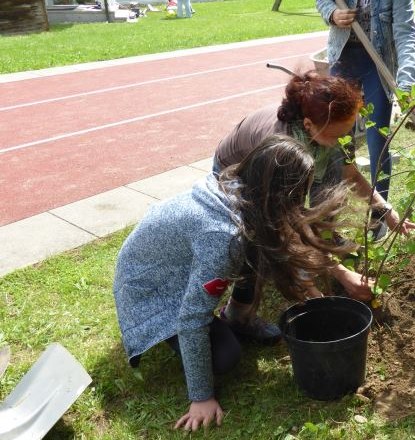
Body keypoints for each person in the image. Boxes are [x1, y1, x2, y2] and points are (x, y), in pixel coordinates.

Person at [114, 135, 357, 431]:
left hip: (167, 271)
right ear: (281, 194)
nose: (302, 203)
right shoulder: (223, 237)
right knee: (226, 356)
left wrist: (323, 287)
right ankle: (211, 333)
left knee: (262, 249)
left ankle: (237, 317)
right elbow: (191, 318)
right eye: (299, 195)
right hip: (152, 295)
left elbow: (283, 243)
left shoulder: (242, 192)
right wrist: (201, 397)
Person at [213, 71, 415, 344]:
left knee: (332, 175)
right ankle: (238, 315)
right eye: (337, 136)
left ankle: (320, 249)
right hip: (237, 175)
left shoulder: (334, 129)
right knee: (257, 239)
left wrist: (384, 209)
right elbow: (283, 225)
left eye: (346, 133)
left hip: (296, 164)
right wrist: (339, 274)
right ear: (309, 124)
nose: (343, 140)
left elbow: (351, 175)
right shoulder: (281, 148)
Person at [316, 0, 415, 204]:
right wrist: (332, 13)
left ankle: (378, 215)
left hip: (378, 62)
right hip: (343, 58)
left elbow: (406, 33)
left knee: (378, 143)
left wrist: (407, 84)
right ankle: (330, 210)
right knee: (336, 142)